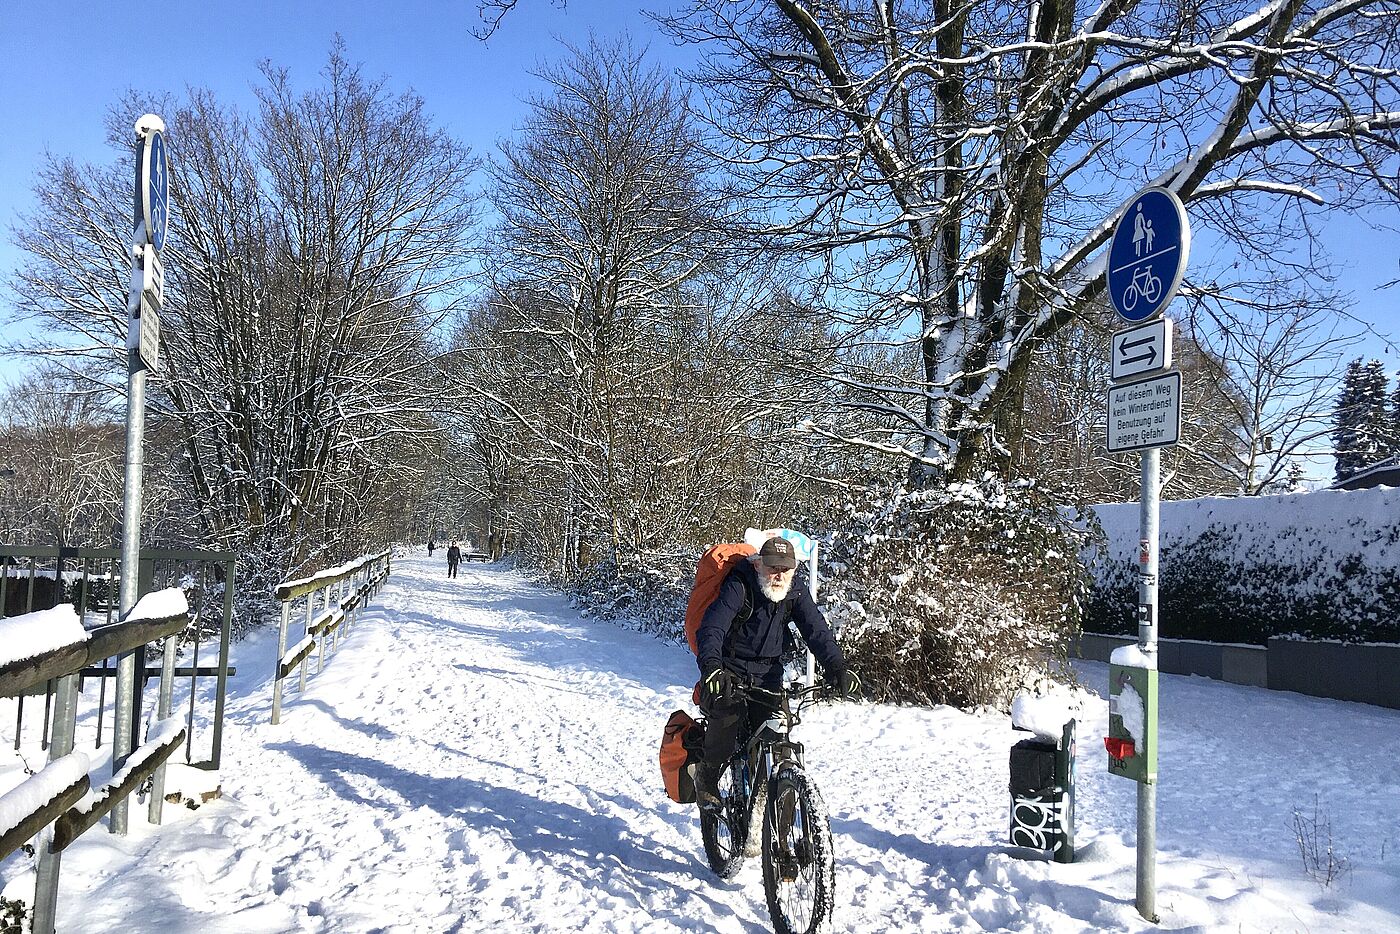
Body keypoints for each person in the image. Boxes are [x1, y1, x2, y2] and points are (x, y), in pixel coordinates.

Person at [694, 536, 861, 809]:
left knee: (780, 742)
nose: (779, 575)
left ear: (794, 570)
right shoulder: (740, 584)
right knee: (725, 724)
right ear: (759, 564)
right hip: (730, 671)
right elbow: (712, 627)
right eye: (773, 568)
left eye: (786, 569)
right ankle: (707, 777)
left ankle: (782, 835)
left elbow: (816, 630)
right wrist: (712, 668)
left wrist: (837, 667)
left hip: (769, 675)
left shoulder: (794, 592)